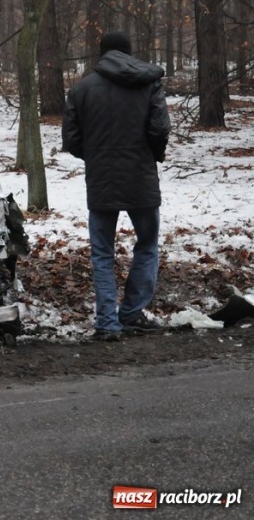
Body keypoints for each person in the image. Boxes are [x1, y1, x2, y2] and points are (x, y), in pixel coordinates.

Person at [62, 31, 171, 342]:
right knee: (147, 245)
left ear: (102, 53)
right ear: (129, 52)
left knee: (102, 253)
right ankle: (133, 313)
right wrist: (151, 155)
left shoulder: (81, 89)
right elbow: (160, 127)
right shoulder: (149, 83)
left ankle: (108, 324)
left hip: (101, 180)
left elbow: (71, 140)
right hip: (142, 179)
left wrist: (95, 156)